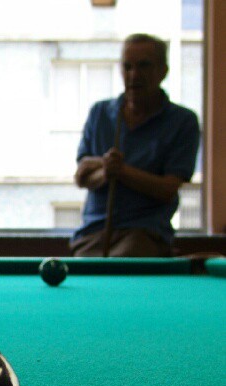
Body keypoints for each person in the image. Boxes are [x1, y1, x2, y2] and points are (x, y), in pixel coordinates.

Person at [71, 33, 200, 257]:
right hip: (93, 234)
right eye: (127, 67)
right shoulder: (100, 113)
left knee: (124, 262)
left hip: (145, 234)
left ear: (163, 71)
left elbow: (167, 189)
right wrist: (106, 167)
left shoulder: (182, 121)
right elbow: (82, 177)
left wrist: (122, 171)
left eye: (144, 66)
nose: (134, 75)